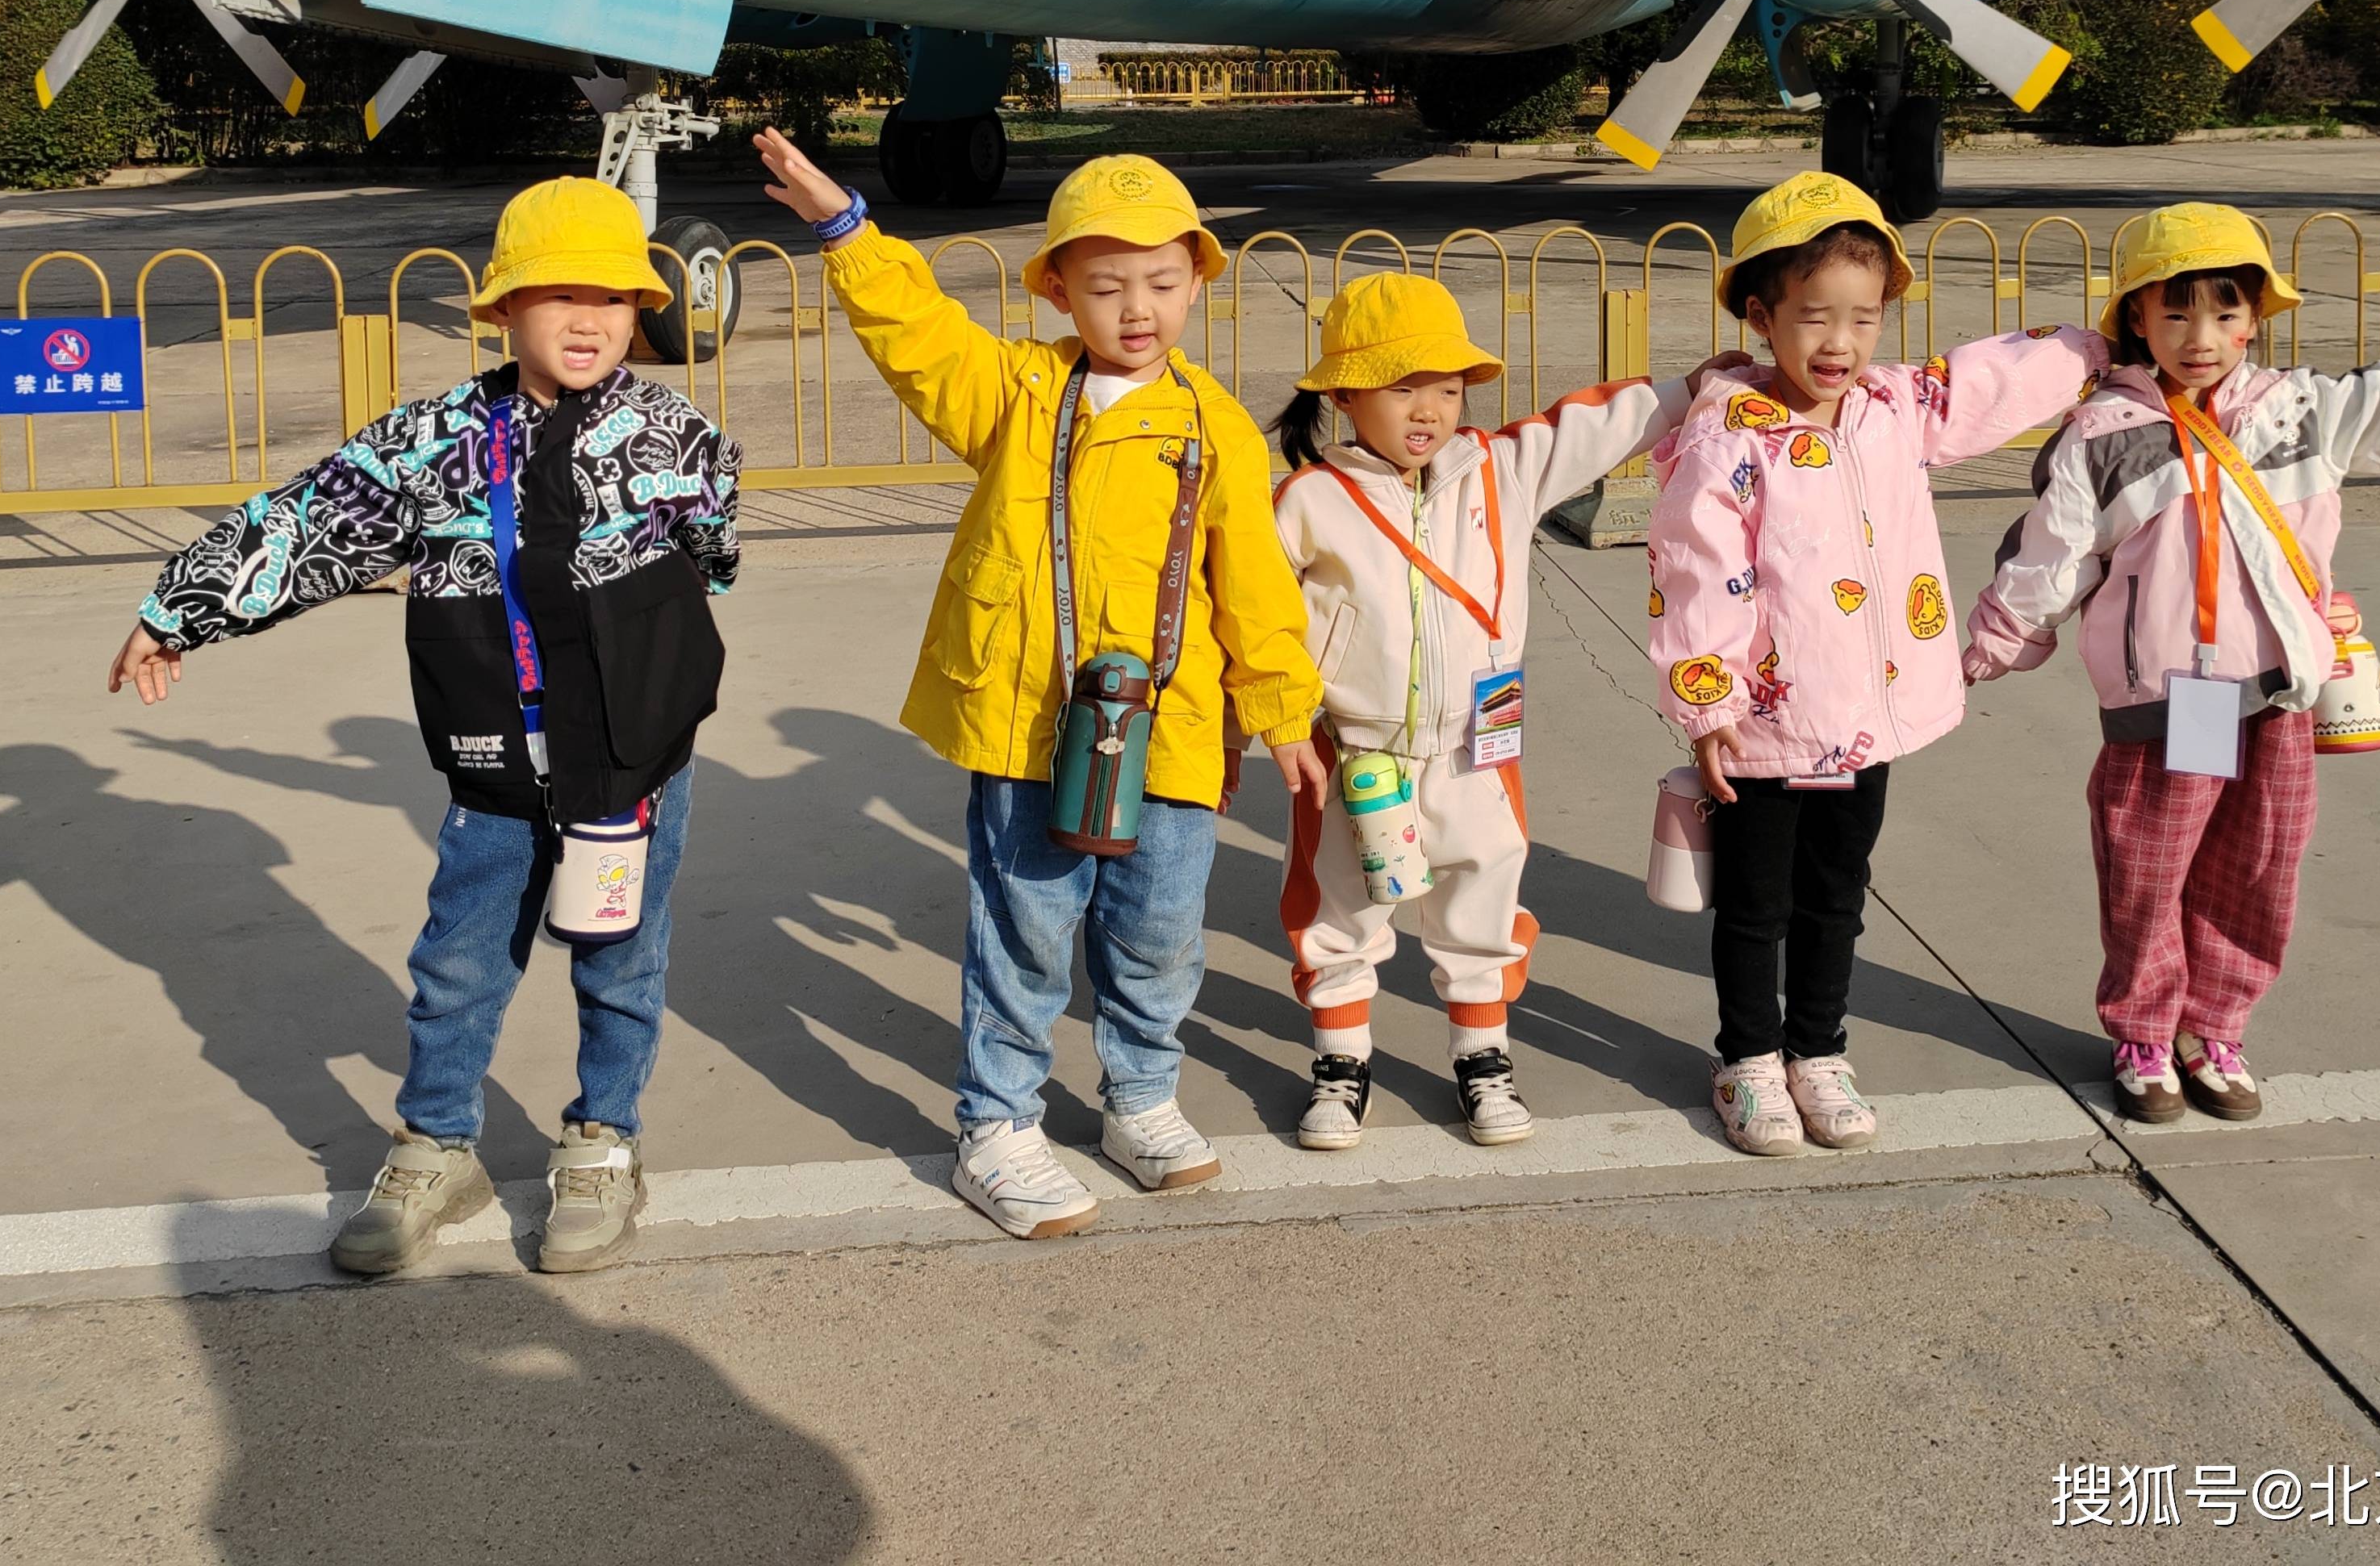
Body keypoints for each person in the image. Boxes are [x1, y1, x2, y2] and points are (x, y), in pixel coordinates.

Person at [107, 177, 738, 1276]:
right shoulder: (435, 440)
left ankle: (601, 1146)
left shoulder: (677, 435)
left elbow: (713, 553)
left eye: (614, 300)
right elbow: (311, 524)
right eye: (556, 298)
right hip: (497, 762)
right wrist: (181, 611)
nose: (587, 323)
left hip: (630, 765)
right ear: (500, 311)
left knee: (622, 959)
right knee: (458, 961)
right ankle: (437, 1145)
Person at [755, 130, 1320, 1239]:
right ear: (1059, 289)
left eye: (1163, 282)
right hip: (1029, 723)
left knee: (1161, 929)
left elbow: (1255, 584)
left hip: (1174, 726)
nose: (1137, 308)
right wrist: (846, 230)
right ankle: (999, 1125)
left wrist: (1283, 704)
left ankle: (1141, 1097)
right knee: (1024, 924)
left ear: (1198, 280)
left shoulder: (1216, 429)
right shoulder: (1016, 393)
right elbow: (919, 339)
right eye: (1106, 287)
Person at [1960, 203, 2380, 1125]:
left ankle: (2215, 1028)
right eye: (2176, 313)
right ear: (2136, 320)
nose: (2203, 338)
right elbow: (2050, 556)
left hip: (2276, 692)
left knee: (2257, 865)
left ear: (2256, 320)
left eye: (2227, 313)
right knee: (2154, 865)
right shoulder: (2105, 435)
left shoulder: (2297, 410)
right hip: (2183, 698)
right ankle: (2146, 1033)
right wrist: (1986, 649)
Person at [1646, 172, 2108, 1155]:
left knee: (1837, 890)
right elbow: (1696, 569)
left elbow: (1993, 379)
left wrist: (2104, 345)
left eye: (1863, 319)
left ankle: (1817, 1050)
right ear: (1761, 317)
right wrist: (1707, 701)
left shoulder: (1893, 407)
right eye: (1814, 318)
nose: (1840, 344)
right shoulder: (1728, 434)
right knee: (1756, 904)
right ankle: (1749, 1064)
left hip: (1868, 712)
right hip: (1766, 721)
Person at [1265, 275, 1737, 1151]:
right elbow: (1257, 626)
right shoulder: (1308, 503)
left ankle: (1482, 1058)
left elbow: (1586, 429)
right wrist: (1274, 723)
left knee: (1484, 897)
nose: (1429, 409)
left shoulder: (1499, 470)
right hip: (1357, 758)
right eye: (1402, 387)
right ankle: (1341, 1065)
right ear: (1342, 394)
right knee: (1339, 912)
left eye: (1446, 388)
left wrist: (1690, 389)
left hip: (1478, 752)